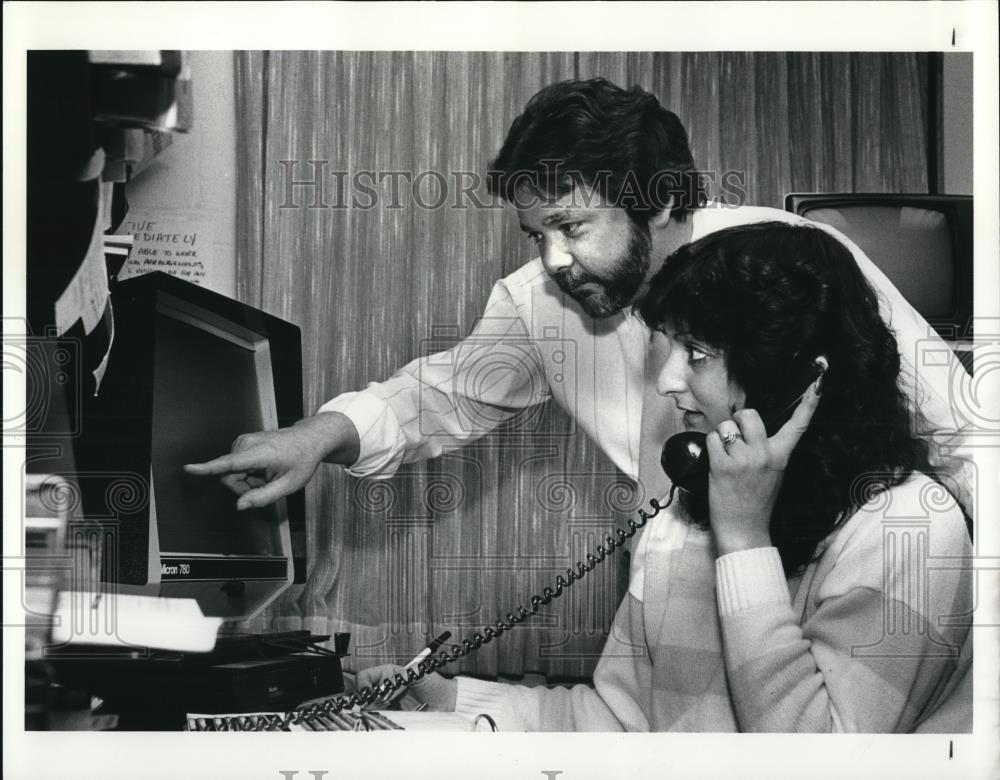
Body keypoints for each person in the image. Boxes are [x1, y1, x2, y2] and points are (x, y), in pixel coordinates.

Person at [186, 77, 969, 520]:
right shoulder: (544, 305)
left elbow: (966, 434)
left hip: (842, 579)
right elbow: (437, 395)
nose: (554, 261)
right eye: (536, 234)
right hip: (680, 592)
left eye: (572, 225)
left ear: (657, 203)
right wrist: (318, 435)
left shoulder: (798, 259)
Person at [356, 222, 973, 732]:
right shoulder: (681, 520)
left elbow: (815, 763)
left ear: (793, 380)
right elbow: (620, 722)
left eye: (697, 355)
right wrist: (453, 701)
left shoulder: (907, 530)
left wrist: (745, 544)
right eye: (669, 349)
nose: (668, 381)